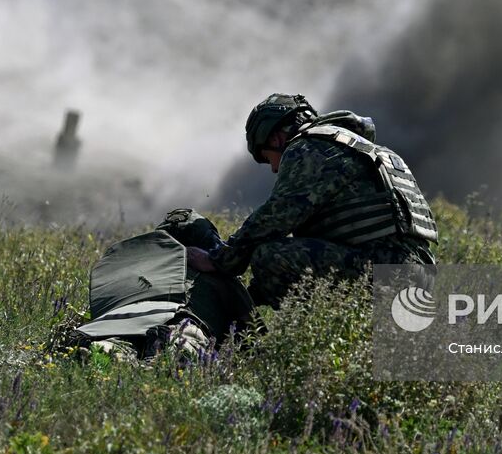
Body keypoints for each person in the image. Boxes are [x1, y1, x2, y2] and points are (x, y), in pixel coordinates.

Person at [186, 93, 437, 308]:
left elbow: (276, 217)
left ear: (275, 139)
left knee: (269, 257)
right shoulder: (370, 150)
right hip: (419, 277)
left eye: (268, 158)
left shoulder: (308, 147)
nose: (274, 169)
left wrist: (220, 261)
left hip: (385, 273)